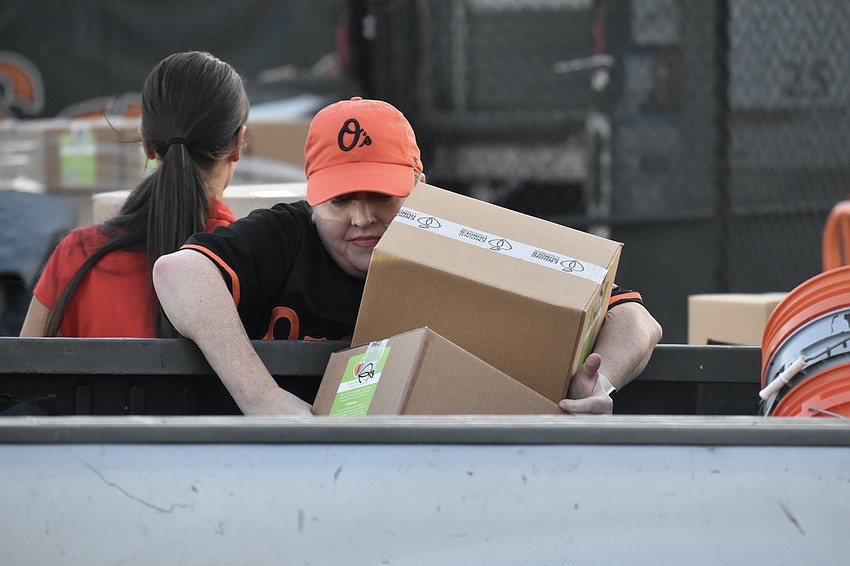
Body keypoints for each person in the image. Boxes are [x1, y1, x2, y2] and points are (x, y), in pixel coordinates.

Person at [153, 97, 662, 416]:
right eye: (340, 199)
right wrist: (262, 398)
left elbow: (634, 318)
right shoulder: (287, 235)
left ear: (420, 188)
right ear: (313, 198)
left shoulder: (464, 236)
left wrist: (602, 381)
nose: (361, 218)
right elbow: (179, 271)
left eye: (381, 196)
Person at [20, 51, 249, 338]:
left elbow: (22, 374)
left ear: (147, 143)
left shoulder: (76, 255)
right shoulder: (251, 264)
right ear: (238, 143)